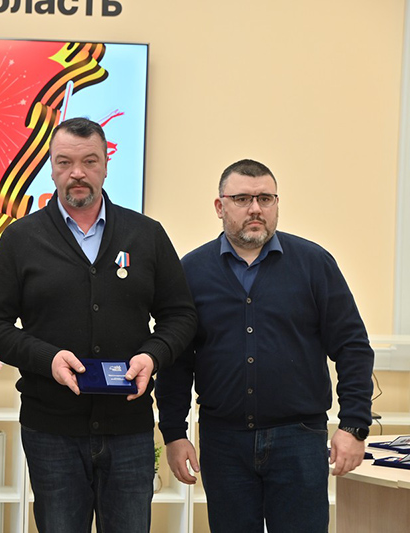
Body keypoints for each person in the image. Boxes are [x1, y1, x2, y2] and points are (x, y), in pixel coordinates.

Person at [0, 117, 197, 533]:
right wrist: (47, 358)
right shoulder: (21, 238)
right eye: (65, 162)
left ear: (106, 165)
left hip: (129, 429)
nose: (77, 173)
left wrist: (152, 355)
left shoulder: (146, 235)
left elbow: (181, 316)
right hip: (50, 430)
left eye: (89, 161)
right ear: (51, 168)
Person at [155, 159, 374, 533]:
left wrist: (354, 425)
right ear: (220, 207)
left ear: (276, 203)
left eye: (265, 198)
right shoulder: (191, 271)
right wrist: (174, 433)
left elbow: (352, 346)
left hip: (299, 439)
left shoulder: (314, 264)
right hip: (224, 442)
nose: (255, 208)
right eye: (242, 199)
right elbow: (177, 361)